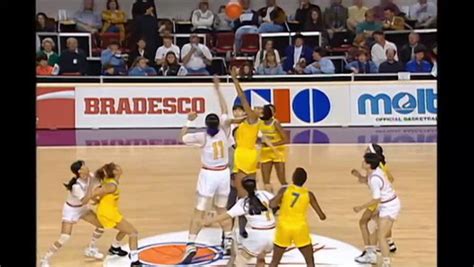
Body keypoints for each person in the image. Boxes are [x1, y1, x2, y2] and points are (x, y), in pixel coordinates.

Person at [180, 78, 234, 263]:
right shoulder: (225, 130)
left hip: (209, 174)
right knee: (221, 209)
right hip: (224, 174)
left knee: (199, 211)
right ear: (218, 123)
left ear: (206, 124)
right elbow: (225, 109)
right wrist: (218, 89)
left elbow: (183, 137)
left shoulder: (202, 136)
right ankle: (228, 240)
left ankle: (190, 243)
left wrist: (189, 119)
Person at [40, 161, 105, 267]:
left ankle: (91, 248)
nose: (87, 167)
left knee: (101, 225)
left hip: (82, 209)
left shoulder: (91, 176)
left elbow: (98, 187)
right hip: (71, 210)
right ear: (79, 171)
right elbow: (84, 199)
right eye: (84, 166)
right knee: (64, 237)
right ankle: (45, 259)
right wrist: (91, 186)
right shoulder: (76, 186)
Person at [204, 178, 275, 267]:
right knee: (261, 257)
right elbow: (277, 202)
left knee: (239, 261)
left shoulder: (243, 202)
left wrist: (209, 221)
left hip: (258, 236)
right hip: (273, 234)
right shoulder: (265, 194)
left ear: (243, 188)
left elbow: (227, 215)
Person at [269, 167, 327, 267]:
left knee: (274, 262)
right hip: (300, 229)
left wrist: (279, 203)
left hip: (284, 228)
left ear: (293, 177)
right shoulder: (309, 194)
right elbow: (321, 216)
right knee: (310, 262)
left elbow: (272, 204)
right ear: (305, 180)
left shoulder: (284, 190)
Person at [351, 144, 397, 265]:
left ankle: (372, 253)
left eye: (367, 150)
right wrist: (359, 176)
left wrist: (360, 207)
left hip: (382, 200)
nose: (364, 152)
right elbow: (368, 181)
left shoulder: (379, 169)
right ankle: (388, 243)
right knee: (377, 225)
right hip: (383, 199)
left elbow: (388, 180)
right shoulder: (375, 168)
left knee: (365, 223)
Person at [92, 163, 143, 266]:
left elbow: (98, 190)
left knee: (125, 229)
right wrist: (96, 199)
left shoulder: (110, 182)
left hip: (111, 211)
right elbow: (93, 193)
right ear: (115, 172)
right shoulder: (111, 186)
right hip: (108, 214)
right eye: (117, 167)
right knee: (133, 233)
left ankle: (114, 248)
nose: (120, 167)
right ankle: (135, 261)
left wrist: (98, 200)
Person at [259, 105, 288, 193]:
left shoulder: (275, 123)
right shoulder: (259, 123)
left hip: (277, 152)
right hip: (265, 153)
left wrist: (271, 144)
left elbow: (285, 139)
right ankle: (269, 198)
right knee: (266, 180)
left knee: (282, 179)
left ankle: (287, 196)